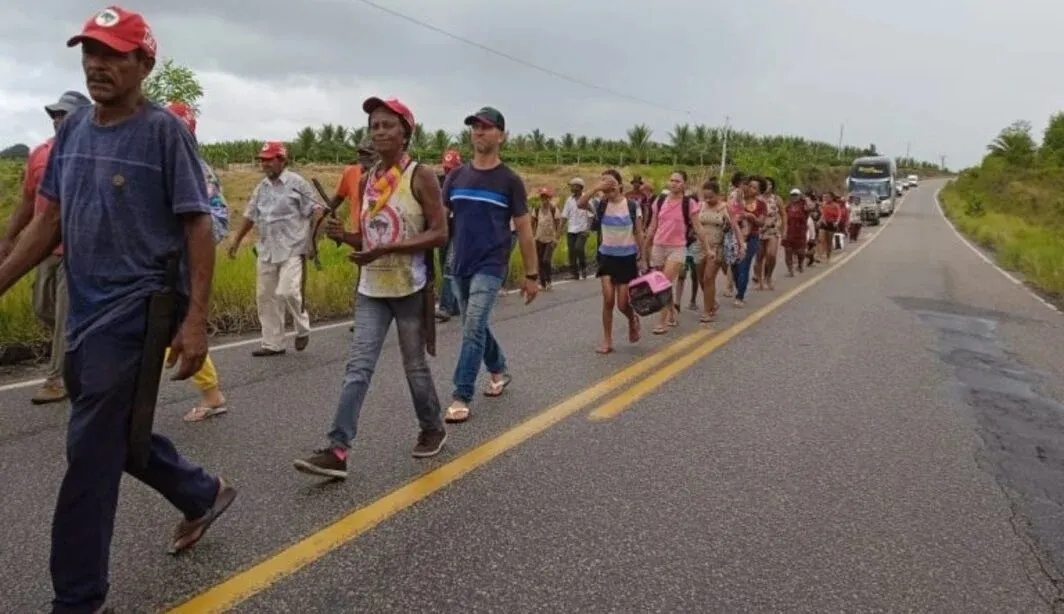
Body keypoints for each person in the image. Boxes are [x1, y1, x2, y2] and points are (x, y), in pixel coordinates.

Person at [0, 7, 237, 611]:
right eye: (90, 52)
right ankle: (201, 492)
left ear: (144, 63)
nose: (96, 64)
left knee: (88, 450)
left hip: (143, 307)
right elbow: (47, 219)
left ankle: (76, 597)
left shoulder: (164, 133)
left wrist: (195, 320)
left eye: (112, 54)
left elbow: (198, 227)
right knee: (115, 438)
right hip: (87, 306)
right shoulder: (75, 132)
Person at [293, 97, 449, 479]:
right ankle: (338, 449)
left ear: (405, 133)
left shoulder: (420, 176)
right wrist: (343, 236)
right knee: (357, 368)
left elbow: (440, 232)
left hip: (409, 288)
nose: (379, 132)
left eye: (387, 125)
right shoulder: (366, 181)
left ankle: (432, 427)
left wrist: (391, 248)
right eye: (374, 126)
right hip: (372, 289)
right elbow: (367, 238)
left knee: (414, 366)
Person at [441, 106, 539, 423]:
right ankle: (498, 369)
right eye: (475, 127)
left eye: (486, 127)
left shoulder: (509, 181)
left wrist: (532, 273)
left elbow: (524, 228)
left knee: (471, 326)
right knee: (476, 324)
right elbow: (440, 223)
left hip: (491, 264)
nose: (479, 132)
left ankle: (461, 394)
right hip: (459, 262)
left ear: (501, 135)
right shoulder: (455, 176)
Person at [0, 90, 91, 405]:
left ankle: (56, 379)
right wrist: (10, 238)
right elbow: (28, 201)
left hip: (80, 251)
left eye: (64, 114)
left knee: (67, 316)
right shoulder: (40, 153)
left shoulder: (95, 152)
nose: (57, 119)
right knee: (43, 307)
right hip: (42, 248)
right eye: (54, 114)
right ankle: (83, 342)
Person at [164, 101, 230, 422]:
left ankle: (212, 394)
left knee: (173, 328)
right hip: (157, 265)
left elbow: (216, 220)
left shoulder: (196, 169)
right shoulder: (158, 166)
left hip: (180, 266)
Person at [227, 140, 324, 356]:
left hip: (293, 248)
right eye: (262, 160)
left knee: (287, 291)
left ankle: (302, 328)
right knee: (265, 296)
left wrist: (313, 242)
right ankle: (273, 343)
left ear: (282, 160)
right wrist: (236, 241)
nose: (265, 164)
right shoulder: (261, 188)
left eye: (269, 160)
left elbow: (316, 211)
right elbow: (250, 216)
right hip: (267, 249)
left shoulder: (297, 183)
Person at [581, 169, 644, 353]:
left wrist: (643, 257)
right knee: (608, 300)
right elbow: (580, 203)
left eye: (611, 183)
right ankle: (607, 340)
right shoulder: (600, 204)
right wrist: (596, 188)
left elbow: (639, 232)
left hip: (627, 258)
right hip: (606, 257)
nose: (608, 187)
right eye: (604, 183)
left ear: (620, 185)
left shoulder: (632, 206)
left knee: (622, 303)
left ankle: (632, 319)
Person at [643, 170, 711, 334]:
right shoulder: (659, 201)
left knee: (664, 283)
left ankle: (662, 321)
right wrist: (644, 247)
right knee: (659, 285)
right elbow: (652, 226)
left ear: (684, 184)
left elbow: (698, 227)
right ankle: (672, 311)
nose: (673, 183)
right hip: (659, 246)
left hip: (678, 248)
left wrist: (708, 248)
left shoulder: (689, 203)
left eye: (677, 181)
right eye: (672, 180)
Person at [691, 179, 742, 323]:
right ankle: (712, 301)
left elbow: (735, 226)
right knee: (701, 278)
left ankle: (708, 311)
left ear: (718, 194)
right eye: (705, 196)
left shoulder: (726, 207)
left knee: (709, 277)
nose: (708, 199)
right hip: (700, 246)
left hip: (717, 247)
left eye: (711, 196)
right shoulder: (700, 206)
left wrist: (741, 244)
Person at [730, 176, 768, 307]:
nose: (750, 189)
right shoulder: (736, 200)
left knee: (743, 265)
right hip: (734, 237)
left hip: (752, 238)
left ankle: (740, 296)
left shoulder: (761, 205)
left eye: (754, 187)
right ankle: (739, 286)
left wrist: (751, 217)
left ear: (759, 191)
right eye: (749, 185)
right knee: (734, 266)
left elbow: (762, 222)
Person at [435, 148, 462, 321]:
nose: (447, 171)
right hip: (445, 227)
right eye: (445, 168)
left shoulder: (465, 182)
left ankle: (445, 307)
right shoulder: (440, 182)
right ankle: (455, 305)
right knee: (444, 264)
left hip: (459, 228)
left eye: (450, 168)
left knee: (450, 266)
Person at [560, 177, 591, 280]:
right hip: (571, 229)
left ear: (579, 187)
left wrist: (588, 229)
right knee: (572, 251)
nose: (571, 188)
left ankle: (583, 267)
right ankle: (574, 273)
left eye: (573, 186)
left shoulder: (586, 198)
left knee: (579, 248)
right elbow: (564, 215)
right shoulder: (569, 200)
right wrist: (559, 230)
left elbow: (591, 215)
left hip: (582, 229)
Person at [532, 186, 561, 289]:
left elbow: (558, 224)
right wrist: (533, 236)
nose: (544, 199)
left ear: (550, 198)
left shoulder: (553, 209)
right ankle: (542, 282)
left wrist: (556, 239)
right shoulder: (536, 209)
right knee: (539, 261)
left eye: (546, 197)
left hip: (550, 239)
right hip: (539, 239)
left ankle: (549, 280)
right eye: (543, 197)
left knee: (546, 260)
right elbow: (532, 223)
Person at [782, 188, 810, 276]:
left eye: (796, 195)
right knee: (788, 250)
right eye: (793, 195)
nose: (794, 197)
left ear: (799, 196)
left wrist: (805, 199)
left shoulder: (804, 205)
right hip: (789, 230)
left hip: (800, 231)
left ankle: (800, 264)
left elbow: (810, 209)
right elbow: (782, 216)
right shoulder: (788, 206)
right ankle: (790, 270)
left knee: (801, 252)